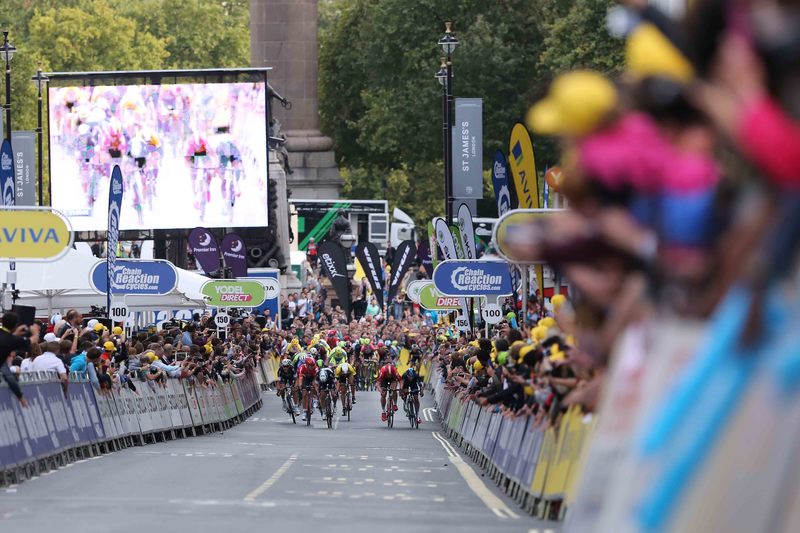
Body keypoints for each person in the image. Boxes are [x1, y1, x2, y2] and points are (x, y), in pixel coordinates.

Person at [0, 312, 39, 407]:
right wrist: (35, 331)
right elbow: (33, 340)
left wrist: (14, 334)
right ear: (15, 325)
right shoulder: (12, 340)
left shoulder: (10, 338)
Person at [297, 355, 318, 422]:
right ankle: (304, 411)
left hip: (313, 378)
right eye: (310, 365)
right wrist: (300, 386)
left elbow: (316, 379)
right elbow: (300, 378)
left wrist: (314, 385)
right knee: (304, 394)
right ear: (306, 364)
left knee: (314, 386)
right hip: (305, 379)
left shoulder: (315, 368)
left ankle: (315, 399)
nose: (311, 367)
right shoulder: (302, 367)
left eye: (313, 365)